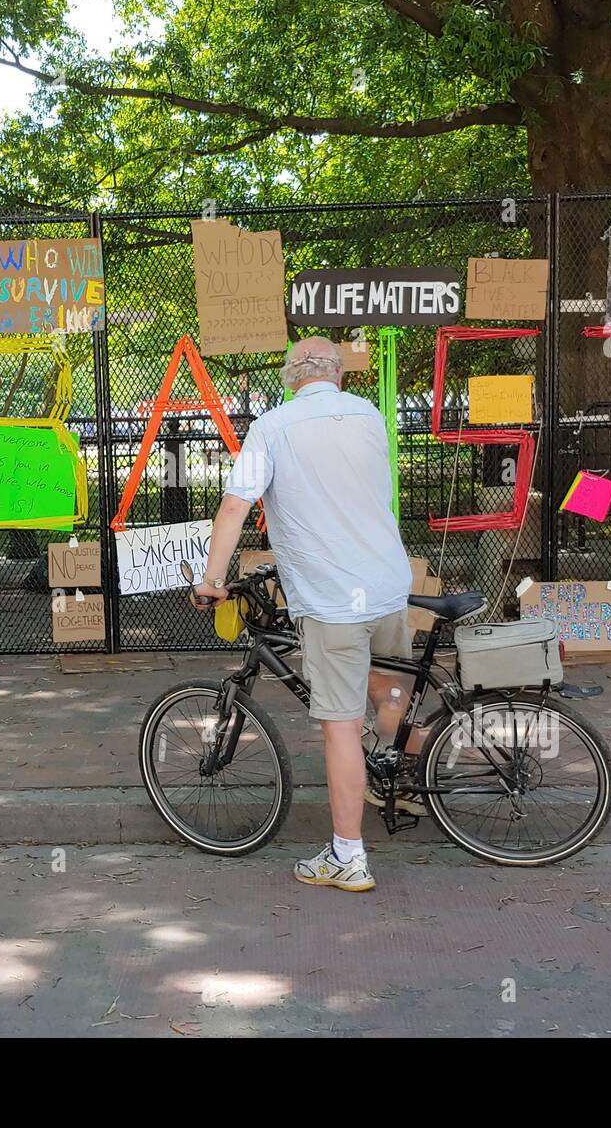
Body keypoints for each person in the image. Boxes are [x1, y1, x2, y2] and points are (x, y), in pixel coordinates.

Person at [192, 336, 414, 892]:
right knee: (389, 695)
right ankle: (396, 780)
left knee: (338, 727)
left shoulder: (273, 427)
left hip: (333, 596)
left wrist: (213, 580)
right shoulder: (368, 415)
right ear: (339, 375)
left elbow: (235, 504)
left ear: (291, 377)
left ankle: (347, 856)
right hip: (387, 584)